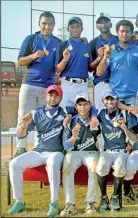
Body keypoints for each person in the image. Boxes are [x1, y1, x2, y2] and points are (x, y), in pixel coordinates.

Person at [8, 85, 65, 216]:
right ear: (46, 96)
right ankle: (19, 201)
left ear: (61, 98)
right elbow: (21, 135)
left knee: (53, 163)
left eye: (56, 95)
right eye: (50, 95)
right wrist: (23, 125)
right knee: (14, 164)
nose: (52, 98)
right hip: (39, 152)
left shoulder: (66, 112)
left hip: (56, 152)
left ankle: (54, 203)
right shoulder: (36, 113)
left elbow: (87, 109)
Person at [15, 11, 62, 157]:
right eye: (44, 23)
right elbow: (20, 62)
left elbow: (58, 67)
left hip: (47, 87)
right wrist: (33, 55)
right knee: (23, 116)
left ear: (54, 25)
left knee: (43, 119)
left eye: (50, 24)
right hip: (29, 83)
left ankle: (38, 148)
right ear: (39, 24)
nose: (47, 27)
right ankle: (20, 148)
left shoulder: (58, 43)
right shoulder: (30, 39)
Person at [96, 89, 138, 212]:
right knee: (101, 167)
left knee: (119, 167)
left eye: (112, 99)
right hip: (107, 150)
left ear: (117, 101)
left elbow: (134, 137)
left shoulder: (125, 114)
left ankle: (115, 197)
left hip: (121, 150)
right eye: (107, 99)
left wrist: (125, 128)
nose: (110, 101)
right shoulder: (100, 113)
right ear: (103, 101)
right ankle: (104, 197)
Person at [60, 93, 100, 216]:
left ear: (90, 105)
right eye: (80, 104)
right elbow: (66, 146)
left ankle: (90, 202)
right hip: (75, 152)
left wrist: (95, 119)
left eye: (85, 104)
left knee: (94, 168)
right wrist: (73, 137)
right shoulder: (70, 120)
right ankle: (70, 204)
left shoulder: (97, 118)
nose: (82, 107)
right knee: (67, 168)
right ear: (76, 106)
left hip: (92, 151)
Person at [97, 20, 138, 107]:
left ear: (131, 33)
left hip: (133, 95)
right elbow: (99, 73)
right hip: (115, 96)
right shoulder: (111, 50)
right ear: (117, 33)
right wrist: (104, 57)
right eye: (122, 31)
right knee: (115, 121)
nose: (124, 34)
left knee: (133, 120)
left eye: (127, 31)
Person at [55, 17, 96, 107]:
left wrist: (100, 58)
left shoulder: (86, 45)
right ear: (68, 29)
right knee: (66, 115)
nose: (75, 29)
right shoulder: (63, 45)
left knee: (83, 116)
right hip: (67, 85)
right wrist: (65, 60)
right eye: (72, 27)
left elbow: (90, 68)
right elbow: (57, 69)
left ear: (82, 29)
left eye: (77, 27)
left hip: (83, 86)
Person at [89, 12, 119, 110]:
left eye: (106, 21)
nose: (103, 24)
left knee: (119, 114)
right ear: (97, 26)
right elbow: (90, 68)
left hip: (118, 83)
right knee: (101, 113)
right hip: (101, 83)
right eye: (100, 22)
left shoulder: (119, 40)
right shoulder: (93, 43)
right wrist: (99, 57)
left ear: (110, 24)